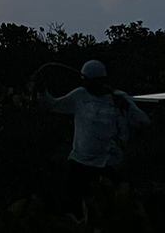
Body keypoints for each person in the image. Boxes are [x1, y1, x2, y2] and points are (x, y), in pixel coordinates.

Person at [36, 59, 149, 215]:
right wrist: (42, 92)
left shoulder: (118, 98)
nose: (88, 86)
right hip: (80, 163)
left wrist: (127, 107)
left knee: (113, 208)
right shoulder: (79, 96)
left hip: (109, 164)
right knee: (74, 207)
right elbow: (53, 105)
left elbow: (143, 122)